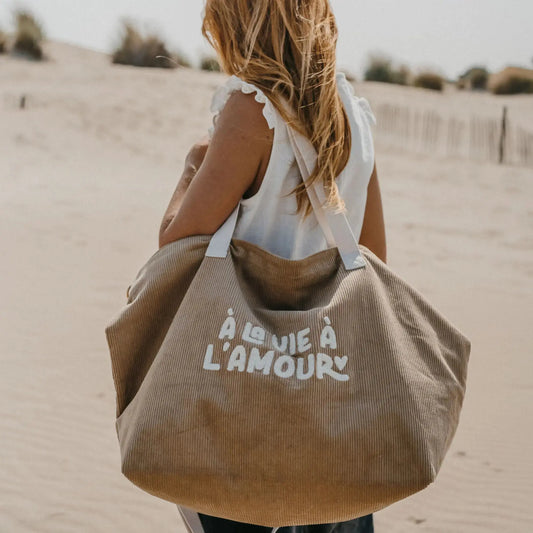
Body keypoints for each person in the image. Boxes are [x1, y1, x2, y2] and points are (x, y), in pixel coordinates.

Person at [158, 1, 386, 531]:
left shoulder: (251, 107)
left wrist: (193, 164)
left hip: (240, 396)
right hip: (329, 403)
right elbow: (372, 256)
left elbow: (175, 244)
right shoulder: (353, 114)